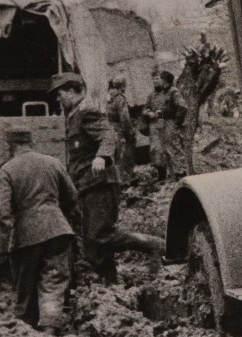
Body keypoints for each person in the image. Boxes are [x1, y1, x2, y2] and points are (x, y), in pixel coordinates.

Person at [51, 71, 164, 283]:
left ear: (73, 92)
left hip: (100, 184)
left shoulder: (87, 112)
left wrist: (101, 156)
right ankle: (111, 284)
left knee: (101, 235)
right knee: (92, 248)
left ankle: (158, 245)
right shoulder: (73, 116)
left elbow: (108, 134)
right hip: (87, 186)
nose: (58, 99)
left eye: (60, 94)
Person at [0, 127, 80, 333]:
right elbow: (72, 196)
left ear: (10, 146)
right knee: (54, 281)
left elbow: (0, 213)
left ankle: (26, 329)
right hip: (57, 230)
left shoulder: (7, 170)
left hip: (25, 236)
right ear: (31, 143)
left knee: (26, 284)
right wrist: (57, 215)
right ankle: (50, 326)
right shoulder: (53, 162)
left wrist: (1, 249)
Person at [143, 69, 190, 183]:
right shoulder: (164, 92)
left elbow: (183, 107)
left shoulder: (173, 92)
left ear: (166, 80)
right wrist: (160, 113)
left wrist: (177, 122)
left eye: (161, 79)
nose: (159, 81)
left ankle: (181, 173)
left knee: (175, 148)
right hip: (164, 123)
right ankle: (174, 175)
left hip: (170, 123)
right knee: (167, 150)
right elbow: (166, 108)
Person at [105, 73, 139, 180]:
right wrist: (130, 133)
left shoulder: (108, 98)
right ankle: (125, 181)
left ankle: (116, 181)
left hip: (109, 130)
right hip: (119, 132)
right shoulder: (120, 99)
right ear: (122, 86)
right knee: (124, 157)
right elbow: (125, 118)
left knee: (114, 158)